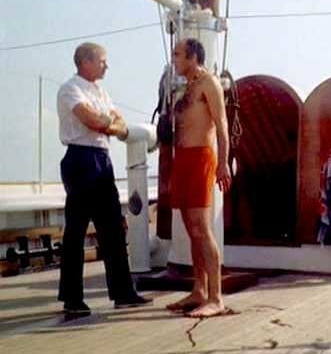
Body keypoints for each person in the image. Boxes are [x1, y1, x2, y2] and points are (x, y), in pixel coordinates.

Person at [57, 42, 152, 314]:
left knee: (113, 229)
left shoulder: (100, 91)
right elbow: (93, 121)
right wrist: (106, 122)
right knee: (76, 230)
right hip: (80, 159)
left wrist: (106, 122)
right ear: (85, 62)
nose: (107, 66)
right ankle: (72, 299)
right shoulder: (70, 89)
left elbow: (119, 124)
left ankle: (123, 293)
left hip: (102, 159)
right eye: (102, 61)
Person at [165, 38, 232, 318]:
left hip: (201, 158)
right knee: (191, 229)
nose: (174, 59)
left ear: (193, 57)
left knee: (202, 228)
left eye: (178, 54)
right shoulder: (187, 86)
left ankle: (216, 298)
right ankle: (199, 290)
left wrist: (223, 162)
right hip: (181, 160)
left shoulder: (209, 83)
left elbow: (222, 124)